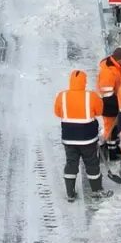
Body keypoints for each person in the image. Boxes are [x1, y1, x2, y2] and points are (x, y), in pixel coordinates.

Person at [52, 69, 104, 201]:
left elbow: (58, 113)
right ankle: (97, 191)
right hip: (88, 139)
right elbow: (99, 111)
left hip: (69, 139)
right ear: (84, 82)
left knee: (71, 163)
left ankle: (70, 193)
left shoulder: (62, 96)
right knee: (92, 163)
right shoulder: (91, 96)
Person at [95, 48, 121, 162]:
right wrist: (119, 105)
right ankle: (111, 152)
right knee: (110, 128)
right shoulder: (108, 72)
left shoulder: (117, 66)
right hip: (108, 104)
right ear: (119, 59)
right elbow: (107, 94)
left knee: (115, 128)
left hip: (114, 101)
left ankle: (113, 149)